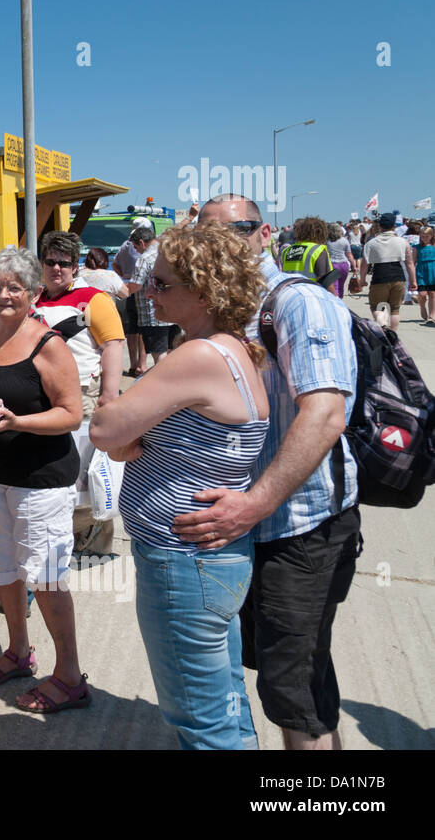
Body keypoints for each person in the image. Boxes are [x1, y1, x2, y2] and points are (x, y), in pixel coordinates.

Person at [175, 193, 360, 751]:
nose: (220, 243)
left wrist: (253, 503)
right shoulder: (224, 308)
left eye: (235, 230)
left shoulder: (298, 304)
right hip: (248, 527)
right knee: (281, 674)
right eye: (206, 233)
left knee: (292, 685)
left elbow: (325, 414)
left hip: (300, 525)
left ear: (265, 234)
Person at [90, 224, 269, 749]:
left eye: (163, 285)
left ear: (205, 289)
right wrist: (126, 432)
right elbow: (123, 437)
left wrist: (121, 426)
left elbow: (104, 429)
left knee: (201, 724)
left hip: (182, 561)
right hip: (210, 559)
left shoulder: (198, 357)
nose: (149, 293)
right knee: (225, 703)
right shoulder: (238, 350)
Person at [0, 247, 90, 713]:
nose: (3, 295)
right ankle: (18, 651)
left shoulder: (47, 344)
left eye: (14, 287)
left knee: (45, 577)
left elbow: (71, 414)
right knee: (2, 569)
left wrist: (16, 422)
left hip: (39, 480)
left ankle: (69, 675)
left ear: (32, 293)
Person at [34, 231, 125, 554]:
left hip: (85, 395)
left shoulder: (94, 299)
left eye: (65, 263)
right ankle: (67, 538)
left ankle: (95, 543)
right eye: (51, 262)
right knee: (62, 474)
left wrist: (109, 394)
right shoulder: (34, 300)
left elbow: (113, 344)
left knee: (87, 475)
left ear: (75, 267)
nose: (57, 269)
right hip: (44, 400)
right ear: (41, 263)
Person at [124, 226, 175, 369]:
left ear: (142, 242)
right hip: (175, 313)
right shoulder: (169, 252)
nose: (136, 250)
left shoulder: (144, 258)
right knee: (173, 353)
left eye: (135, 247)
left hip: (153, 316)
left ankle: (165, 386)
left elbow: (136, 286)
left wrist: (119, 289)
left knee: (159, 356)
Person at [359, 211, 412, 330]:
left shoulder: (371, 243)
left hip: (380, 276)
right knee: (395, 309)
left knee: (376, 307)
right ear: (394, 226)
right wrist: (413, 281)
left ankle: (382, 325)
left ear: (380, 226)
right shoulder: (403, 242)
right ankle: (393, 334)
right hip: (398, 276)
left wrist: (362, 280)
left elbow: (364, 264)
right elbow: (409, 263)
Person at [113, 217, 151, 376]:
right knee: (143, 329)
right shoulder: (148, 248)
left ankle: (133, 364)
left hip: (128, 289)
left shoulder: (125, 245)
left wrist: (124, 275)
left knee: (132, 329)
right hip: (144, 292)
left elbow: (115, 263)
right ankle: (142, 364)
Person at [278, 217, 336, 289]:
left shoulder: (286, 251)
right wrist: (335, 297)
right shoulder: (318, 250)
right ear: (320, 232)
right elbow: (325, 281)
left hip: (290, 292)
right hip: (312, 293)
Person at [325, 224, 353, 299]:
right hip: (344, 265)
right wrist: (355, 266)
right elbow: (349, 255)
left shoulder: (326, 241)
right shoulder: (344, 240)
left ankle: (336, 303)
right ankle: (340, 300)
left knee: (334, 286)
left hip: (332, 264)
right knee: (341, 285)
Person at [414, 225, 435, 325]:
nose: (424, 238)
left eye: (427, 236)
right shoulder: (416, 248)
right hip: (421, 271)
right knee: (422, 294)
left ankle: (431, 316)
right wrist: (412, 276)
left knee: (432, 294)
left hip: (433, 271)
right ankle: (422, 306)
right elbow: (413, 262)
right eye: (423, 236)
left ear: (432, 236)